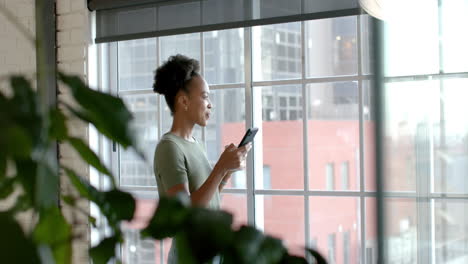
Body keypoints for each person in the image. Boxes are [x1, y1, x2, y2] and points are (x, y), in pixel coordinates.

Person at [152, 54, 252, 263]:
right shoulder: (169, 148)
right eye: (205, 96)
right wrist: (219, 168)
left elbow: (208, 199)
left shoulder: (196, 144)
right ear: (184, 101)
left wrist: (226, 171)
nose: (210, 105)